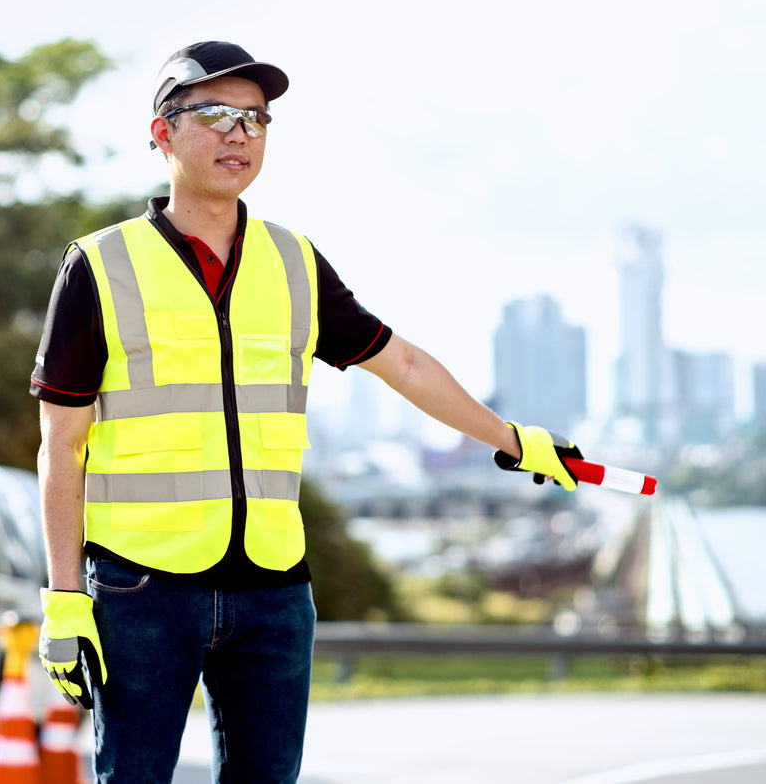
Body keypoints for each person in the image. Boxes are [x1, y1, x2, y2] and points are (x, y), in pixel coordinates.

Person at [30, 40, 585, 783]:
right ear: (162, 131)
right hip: (142, 589)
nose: (240, 134)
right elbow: (62, 445)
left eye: (257, 119)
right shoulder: (101, 264)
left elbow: (406, 363)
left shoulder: (293, 263)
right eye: (217, 114)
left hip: (274, 589)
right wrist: (65, 597)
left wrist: (514, 439)